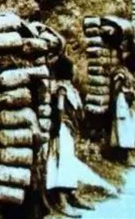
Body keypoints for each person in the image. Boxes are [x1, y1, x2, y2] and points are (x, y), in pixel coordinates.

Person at [46, 53, 94, 217]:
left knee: (69, 162)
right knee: (62, 162)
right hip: (62, 130)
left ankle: (71, 194)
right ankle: (61, 200)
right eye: (72, 68)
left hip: (69, 130)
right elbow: (59, 109)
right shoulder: (61, 89)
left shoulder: (69, 87)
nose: (74, 71)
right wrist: (59, 128)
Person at [107, 31, 135, 163]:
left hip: (125, 102)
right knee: (123, 126)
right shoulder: (121, 72)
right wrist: (114, 102)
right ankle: (125, 157)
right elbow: (116, 88)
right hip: (121, 101)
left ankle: (126, 156)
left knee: (127, 127)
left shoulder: (127, 72)